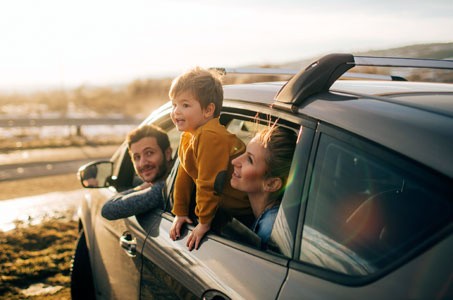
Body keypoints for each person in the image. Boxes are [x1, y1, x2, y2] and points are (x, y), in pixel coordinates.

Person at [169, 66, 251, 250]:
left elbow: (209, 182)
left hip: (241, 212)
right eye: (174, 105)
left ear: (208, 110)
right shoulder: (189, 135)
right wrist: (180, 212)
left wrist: (204, 222)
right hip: (224, 209)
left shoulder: (209, 136)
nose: (176, 112)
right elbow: (184, 175)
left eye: (185, 105)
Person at [230, 126, 297, 247]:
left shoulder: (269, 232)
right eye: (244, 152)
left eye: (249, 159)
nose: (235, 161)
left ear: (271, 184)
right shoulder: (271, 219)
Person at [101, 124, 173, 220]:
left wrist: (142, 187)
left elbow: (108, 209)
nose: (142, 163)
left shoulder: (164, 189)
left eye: (149, 153)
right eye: (137, 157)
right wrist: (144, 186)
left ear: (168, 154)